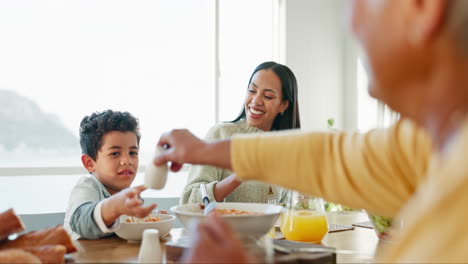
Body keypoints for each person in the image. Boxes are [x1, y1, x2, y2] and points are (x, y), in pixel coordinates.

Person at [154, 0, 468, 262]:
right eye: (253, 91)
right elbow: (335, 157)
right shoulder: (431, 144)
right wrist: (209, 152)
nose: (350, 20)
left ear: (423, 8)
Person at [181, 61, 300, 204]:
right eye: (252, 90)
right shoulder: (220, 135)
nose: (256, 101)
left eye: (268, 96)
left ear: (284, 104)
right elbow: (188, 201)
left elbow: (286, 215)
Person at [64, 110, 157, 239]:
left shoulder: (129, 195)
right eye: (115, 153)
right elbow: (80, 222)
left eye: (133, 153)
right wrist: (114, 207)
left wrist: (149, 218)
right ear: (89, 163)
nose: (127, 161)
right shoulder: (87, 186)